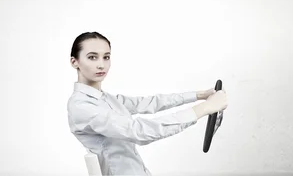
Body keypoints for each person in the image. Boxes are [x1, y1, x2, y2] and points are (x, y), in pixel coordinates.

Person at [66, 32, 228, 176]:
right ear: (75, 62)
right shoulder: (82, 106)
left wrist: (200, 95)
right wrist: (205, 108)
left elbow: (148, 103)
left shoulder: (105, 99)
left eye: (106, 57)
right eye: (92, 57)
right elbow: (138, 131)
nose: (101, 64)